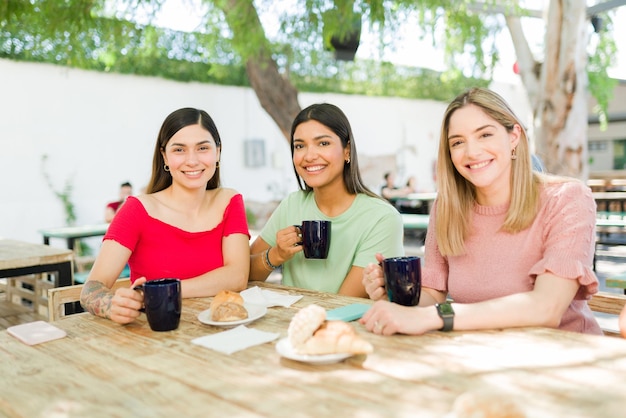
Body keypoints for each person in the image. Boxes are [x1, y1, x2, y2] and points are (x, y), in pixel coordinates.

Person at [360, 87, 602, 335]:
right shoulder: (447, 208)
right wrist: (396, 295)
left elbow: (546, 308)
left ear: (513, 137)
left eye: (485, 135)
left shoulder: (567, 198)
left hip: (564, 359)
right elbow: (432, 295)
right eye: (457, 142)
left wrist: (436, 317)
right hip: (480, 355)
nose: (472, 152)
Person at [80, 107, 250, 324]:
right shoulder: (137, 209)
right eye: (179, 150)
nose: (192, 160)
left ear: (217, 152)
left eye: (203, 148)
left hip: (222, 331)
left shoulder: (229, 201)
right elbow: (91, 288)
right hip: (154, 337)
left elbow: (237, 276)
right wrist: (110, 305)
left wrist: (155, 292)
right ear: (165, 157)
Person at [249, 103, 404, 297]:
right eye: (300, 146)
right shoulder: (292, 204)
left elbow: (343, 303)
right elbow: (243, 273)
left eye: (323, 143)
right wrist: (276, 255)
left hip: (344, 326)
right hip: (287, 322)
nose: (309, 155)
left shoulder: (382, 218)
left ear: (347, 149)